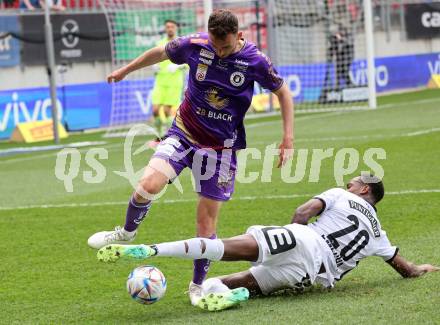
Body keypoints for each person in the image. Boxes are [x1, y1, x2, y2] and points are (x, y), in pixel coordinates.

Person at [87, 9, 294, 305]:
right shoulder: (195, 45)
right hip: (183, 133)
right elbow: (159, 52)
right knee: (147, 184)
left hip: (221, 149)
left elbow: (283, 92)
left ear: (239, 36)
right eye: (215, 44)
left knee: (205, 223)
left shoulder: (255, 60)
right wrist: (126, 70)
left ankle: (197, 286)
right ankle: (127, 232)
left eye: (226, 46)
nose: (219, 51)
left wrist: (288, 137)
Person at [96, 175, 439, 311]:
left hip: (304, 239)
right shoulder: (379, 232)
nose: (348, 184)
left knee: (222, 248)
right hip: (311, 275)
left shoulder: (339, 195)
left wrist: (286, 239)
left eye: (353, 182)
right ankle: (218, 295)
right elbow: (404, 268)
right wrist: (420, 268)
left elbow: (303, 212)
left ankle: (152, 250)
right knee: (234, 282)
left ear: (364, 189)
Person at [149, 19, 187, 146]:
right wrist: (154, 66)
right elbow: (154, 57)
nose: (170, 29)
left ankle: (168, 137)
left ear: (176, 28)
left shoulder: (182, 43)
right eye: (167, 27)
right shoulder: (160, 43)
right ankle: (159, 136)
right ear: (165, 29)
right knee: (155, 109)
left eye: (172, 26)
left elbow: (188, 62)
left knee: (167, 111)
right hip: (160, 80)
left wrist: (178, 66)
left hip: (174, 81)